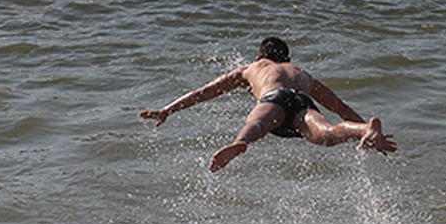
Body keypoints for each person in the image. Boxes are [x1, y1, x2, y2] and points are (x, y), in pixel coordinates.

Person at [139, 37, 397, 171]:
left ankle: (240, 142)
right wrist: (366, 127)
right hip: (302, 102)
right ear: (287, 58)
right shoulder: (300, 73)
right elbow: (340, 107)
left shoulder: (253, 68)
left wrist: (167, 110)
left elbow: (204, 92)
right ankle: (365, 130)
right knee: (327, 133)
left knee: (258, 122)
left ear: (260, 55)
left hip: (273, 97)